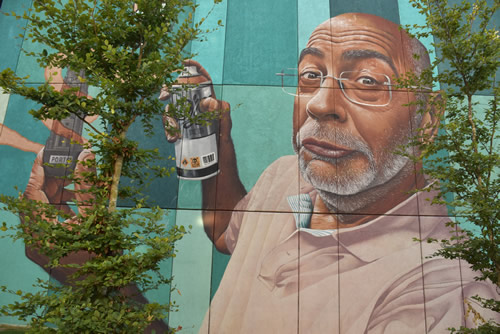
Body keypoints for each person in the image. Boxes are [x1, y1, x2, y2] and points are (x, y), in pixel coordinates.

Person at [166, 13, 499, 333]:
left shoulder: (446, 293)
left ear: (426, 119)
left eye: (367, 81)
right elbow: (227, 232)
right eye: (311, 76)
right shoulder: (286, 175)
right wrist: (214, 140)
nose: (320, 104)